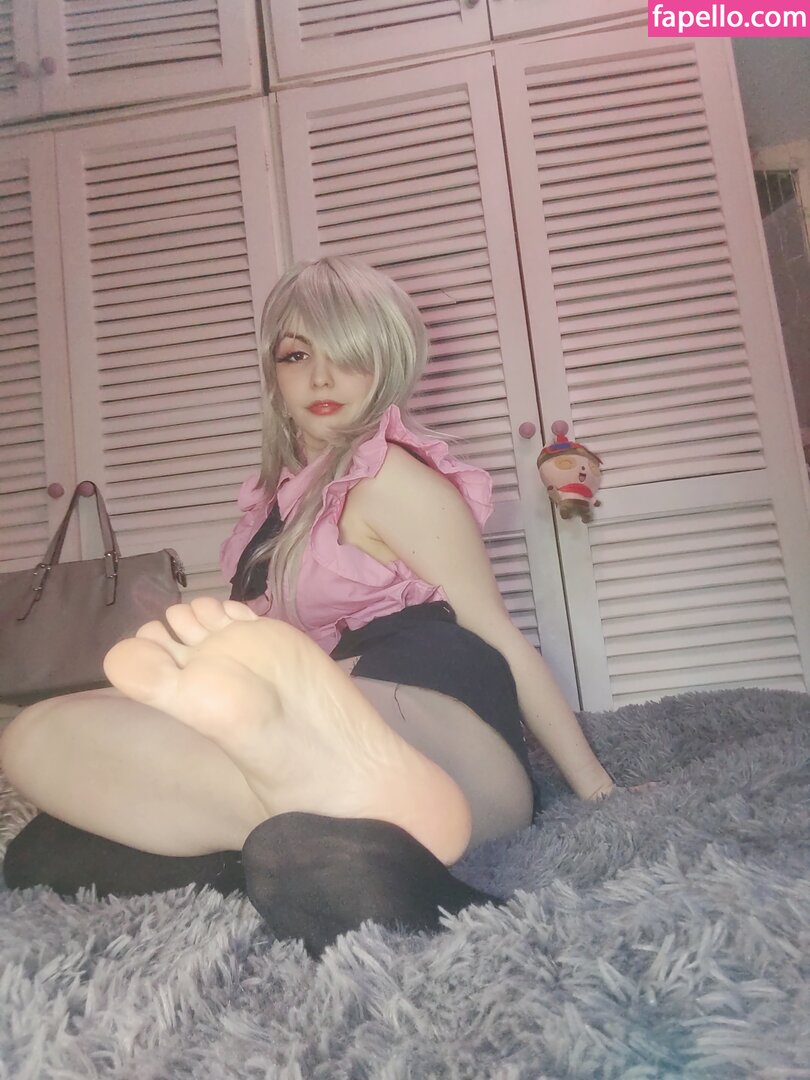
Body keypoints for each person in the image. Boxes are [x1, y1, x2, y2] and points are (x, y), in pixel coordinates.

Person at [1, 257, 618, 955]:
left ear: (388, 363)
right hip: (320, 723)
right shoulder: (275, 507)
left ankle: (345, 783)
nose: (322, 379)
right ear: (274, 371)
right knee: (37, 750)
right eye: (298, 356)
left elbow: (498, 638)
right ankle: (319, 814)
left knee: (106, 801)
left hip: (430, 704)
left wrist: (595, 787)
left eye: (348, 356)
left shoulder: (392, 481)